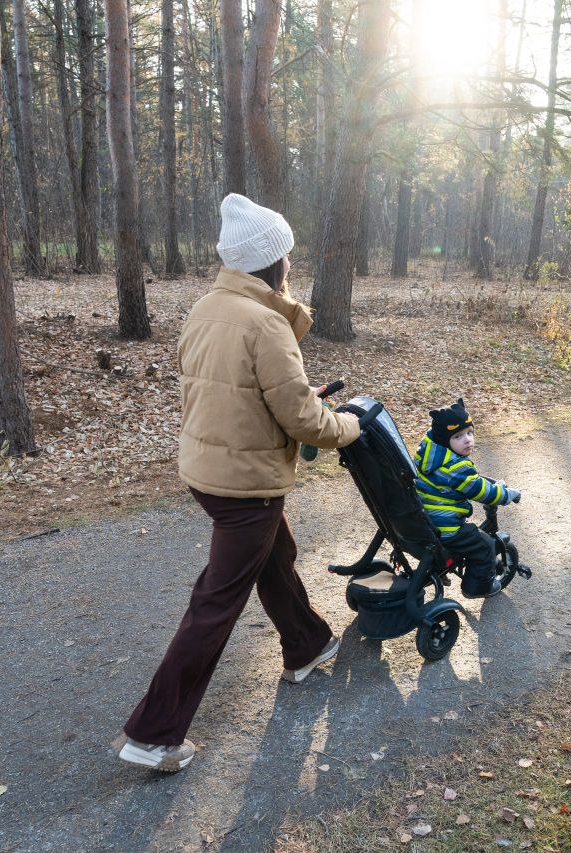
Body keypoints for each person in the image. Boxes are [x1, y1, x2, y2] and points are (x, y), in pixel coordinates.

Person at [118, 193, 361, 773]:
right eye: (288, 257)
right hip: (245, 482)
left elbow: (235, 392)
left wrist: (298, 390)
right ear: (274, 262)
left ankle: (305, 644)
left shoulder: (207, 308)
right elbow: (305, 421)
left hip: (210, 472)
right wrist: (349, 426)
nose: (291, 266)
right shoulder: (265, 324)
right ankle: (153, 735)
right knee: (217, 600)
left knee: (275, 554)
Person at [413, 398, 520, 599]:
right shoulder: (455, 467)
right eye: (458, 436)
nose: (468, 440)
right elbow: (481, 491)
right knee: (484, 544)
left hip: (424, 520)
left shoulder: (430, 454)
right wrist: (506, 494)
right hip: (445, 527)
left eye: (470, 433)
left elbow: (468, 482)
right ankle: (476, 588)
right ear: (445, 440)